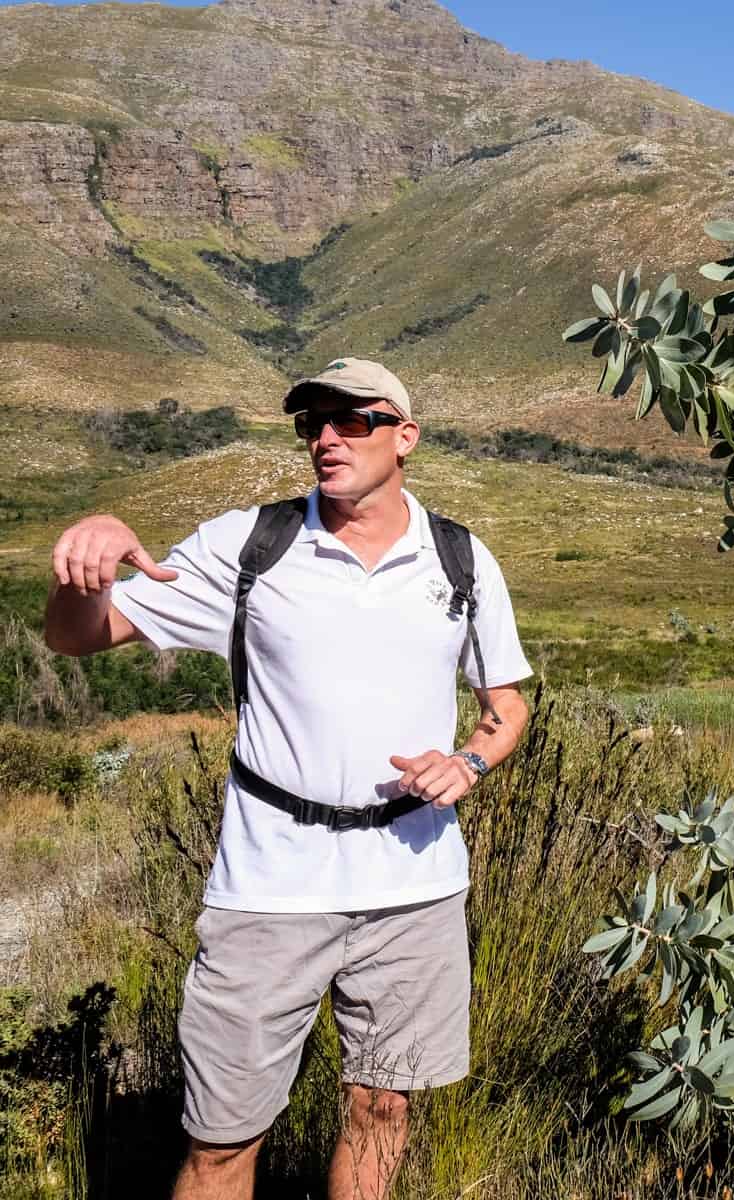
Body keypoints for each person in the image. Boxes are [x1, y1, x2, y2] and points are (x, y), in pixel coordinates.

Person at [42, 357, 533, 1200]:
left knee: (384, 1108)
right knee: (224, 1137)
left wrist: (469, 762)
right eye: (313, 424)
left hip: (415, 887)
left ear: (405, 437)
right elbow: (81, 638)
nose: (327, 439)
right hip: (268, 887)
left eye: (353, 421)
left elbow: (507, 705)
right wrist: (84, 570)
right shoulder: (251, 545)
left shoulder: (459, 559)